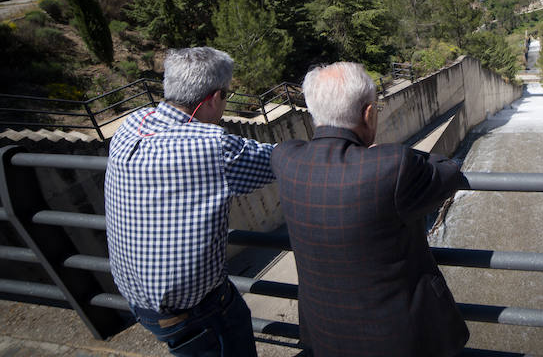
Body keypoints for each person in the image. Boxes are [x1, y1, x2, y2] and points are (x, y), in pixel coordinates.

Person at [272, 62, 469, 357]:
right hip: (401, 341)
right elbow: (449, 170)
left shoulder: (285, 159)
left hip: (326, 335)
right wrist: (395, 153)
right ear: (369, 113)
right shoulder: (392, 167)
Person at [105, 47, 275, 356]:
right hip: (196, 312)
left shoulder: (131, 125)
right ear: (212, 98)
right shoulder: (213, 147)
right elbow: (282, 161)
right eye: (226, 95)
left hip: (140, 302)